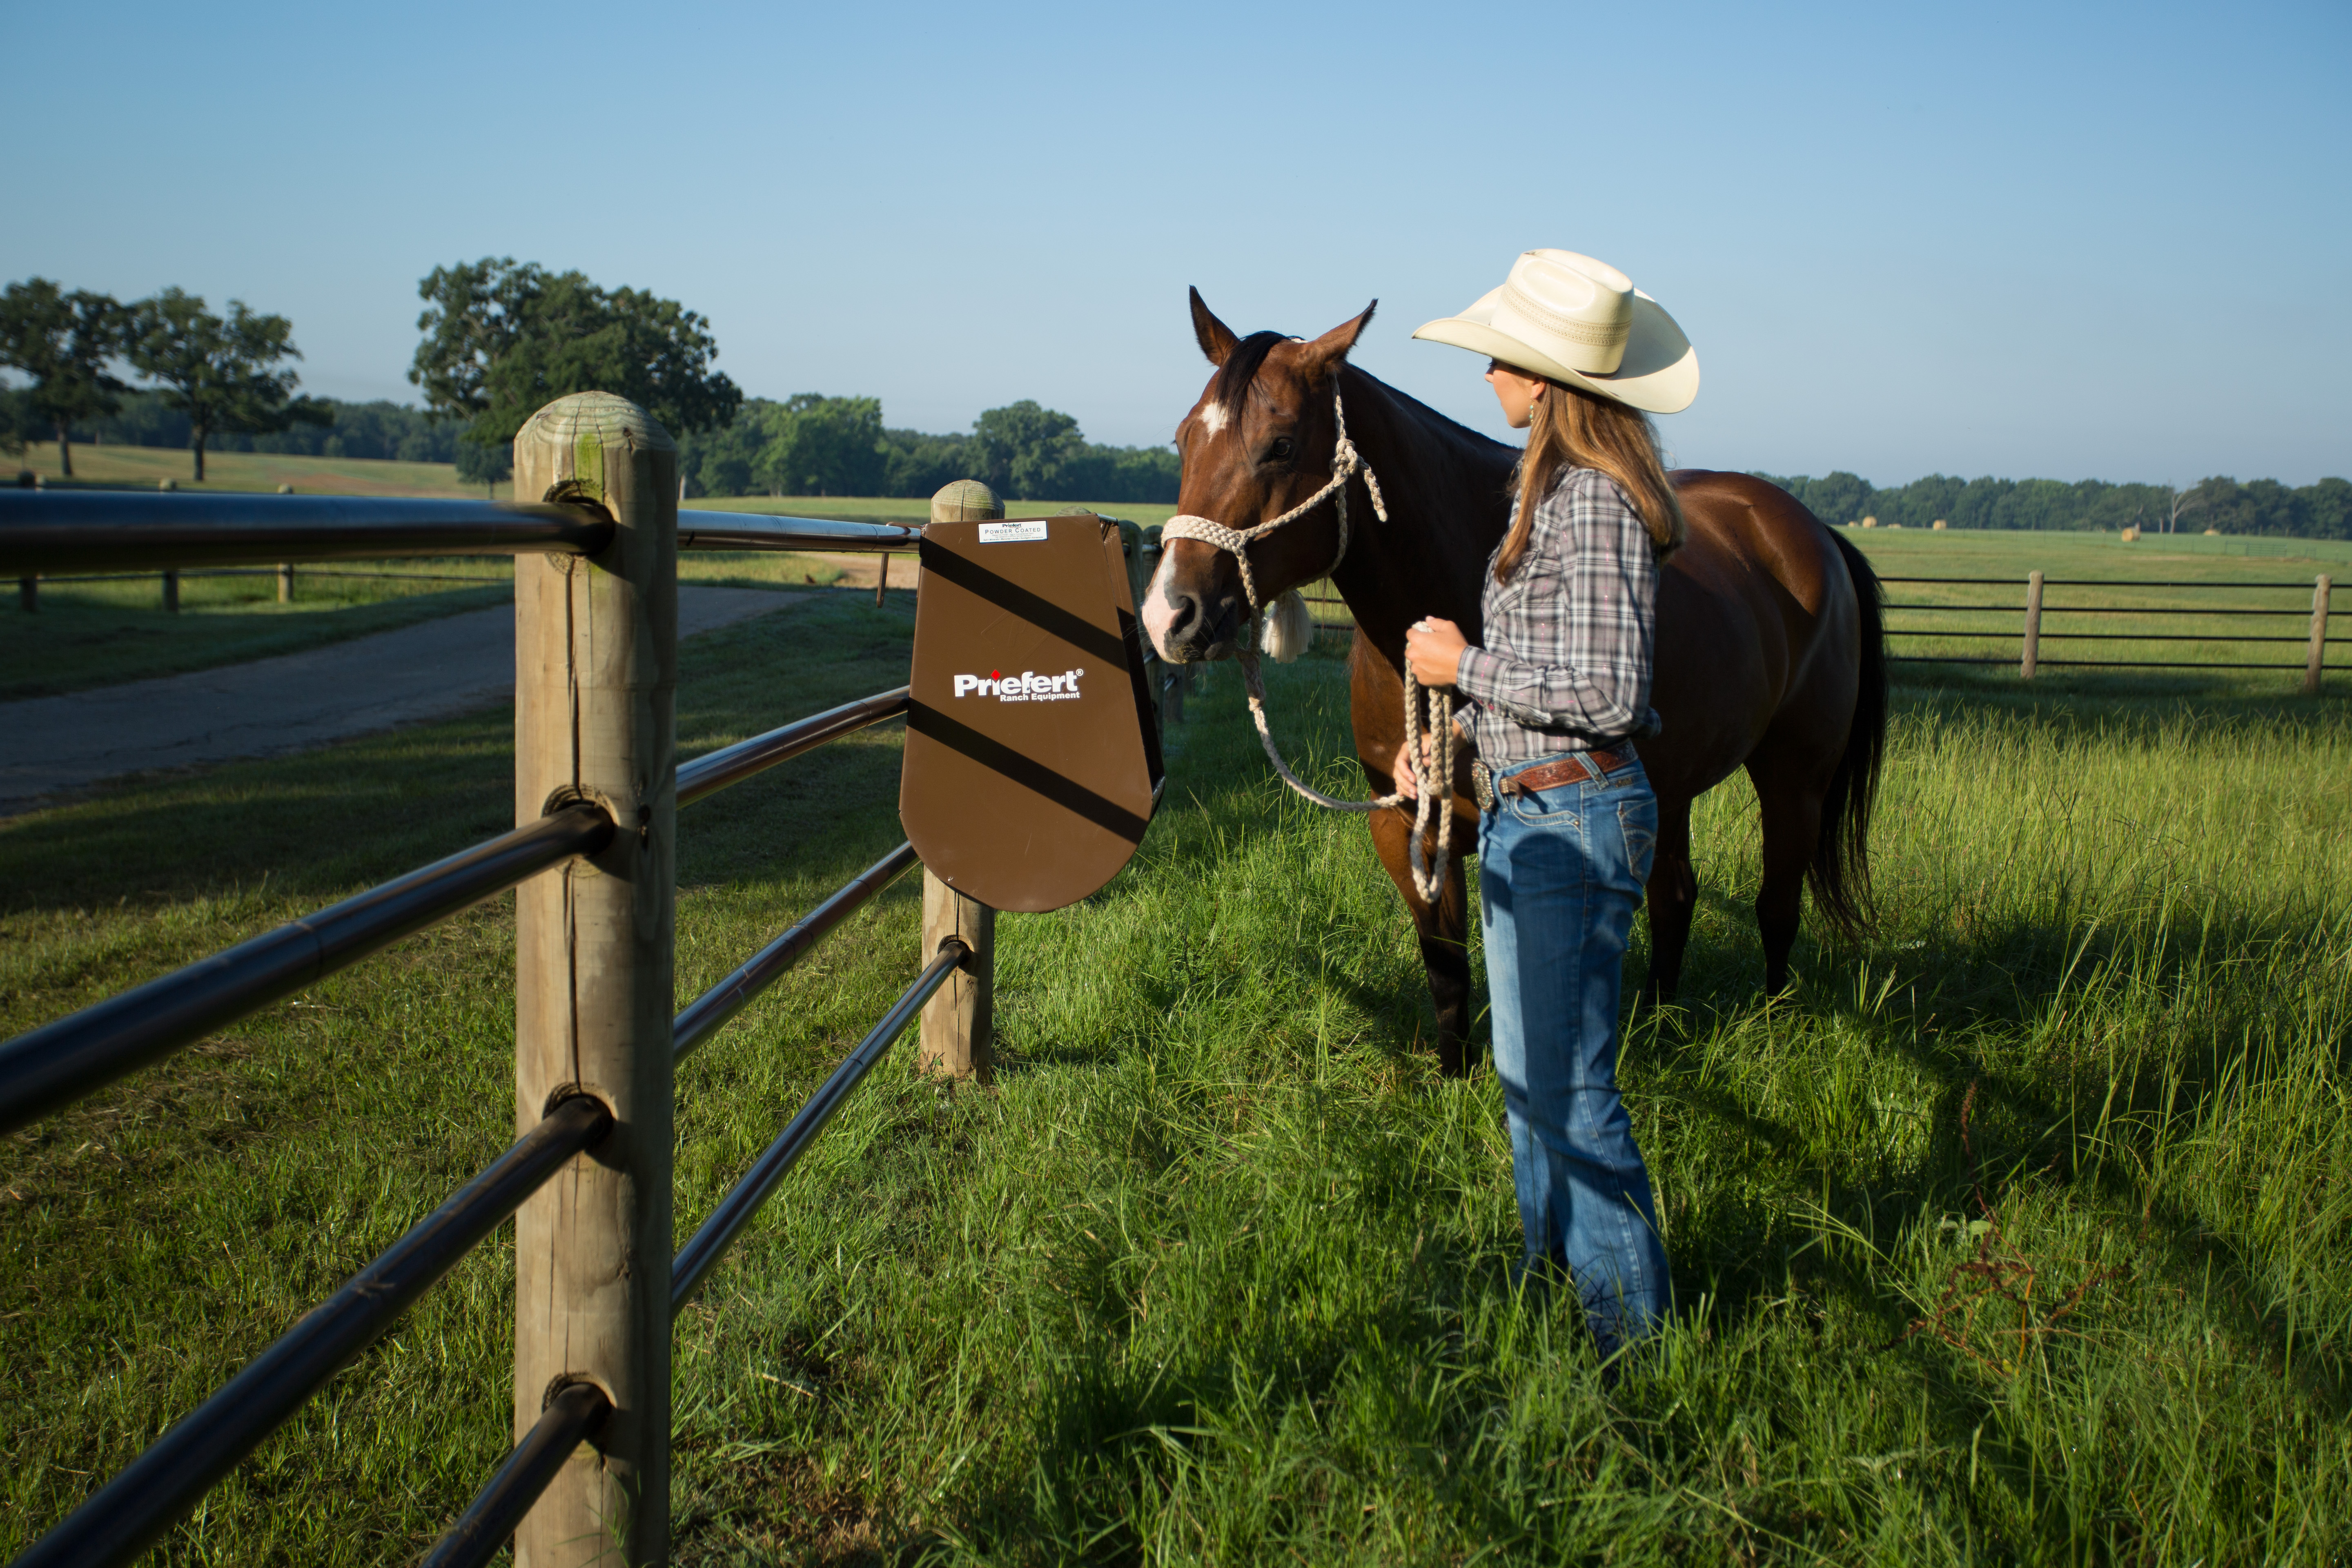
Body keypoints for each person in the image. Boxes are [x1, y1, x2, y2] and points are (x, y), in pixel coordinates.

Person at [1397, 249, 1700, 1365]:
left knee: (1570, 1095)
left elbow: (1612, 695)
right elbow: (1547, 676)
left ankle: (1633, 1354)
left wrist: (1463, 667)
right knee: (1531, 1092)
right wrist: (1446, 751)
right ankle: (1555, 1307)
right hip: (1534, 811)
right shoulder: (1554, 493)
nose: (1486, 370)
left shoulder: (1601, 507)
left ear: (1548, 377)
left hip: (1574, 822)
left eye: (1503, 354)